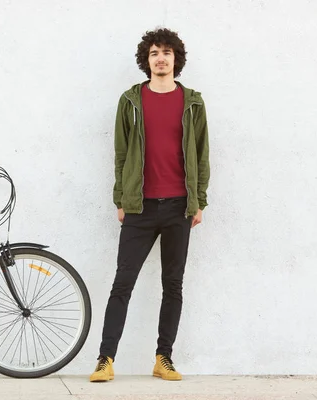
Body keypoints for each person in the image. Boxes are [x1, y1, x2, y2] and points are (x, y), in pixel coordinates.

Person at [90, 27, 210, 382]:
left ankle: (163, 358)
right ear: (146, 60)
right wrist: (121, 199)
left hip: (178, 206)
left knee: (173, 285)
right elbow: (121, 154)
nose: (161, 58)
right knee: (122, 283)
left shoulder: (193, 102)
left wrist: (198, 201)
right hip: (139, 207)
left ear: (176, 59)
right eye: (155, 52)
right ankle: (105, 359)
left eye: (167, 52)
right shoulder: (130, 101)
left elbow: (201, 155)